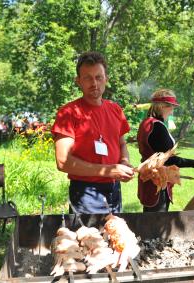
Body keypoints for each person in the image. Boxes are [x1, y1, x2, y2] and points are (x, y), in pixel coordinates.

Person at [51, 51, 134, 214]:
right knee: (87, 239)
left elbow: (122, 143)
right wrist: (108, 170)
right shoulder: (68, 112)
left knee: (114, 237)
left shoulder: (115, 109)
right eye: (87, 78)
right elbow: (62, 161)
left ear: (106, 80)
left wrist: (124, 162)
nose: (94, 83)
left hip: (114, 191)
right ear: (78, 81)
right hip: (86, 194)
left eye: (98, 77)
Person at [137, 88, 194, 212]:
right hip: (157, 181)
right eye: (171, 107)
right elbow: (169, 159)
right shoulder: (157, 126)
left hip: (150, 178)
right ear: (162, 106)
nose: (172, 111)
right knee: (156, 222)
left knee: (149, 219)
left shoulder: (147, 122)